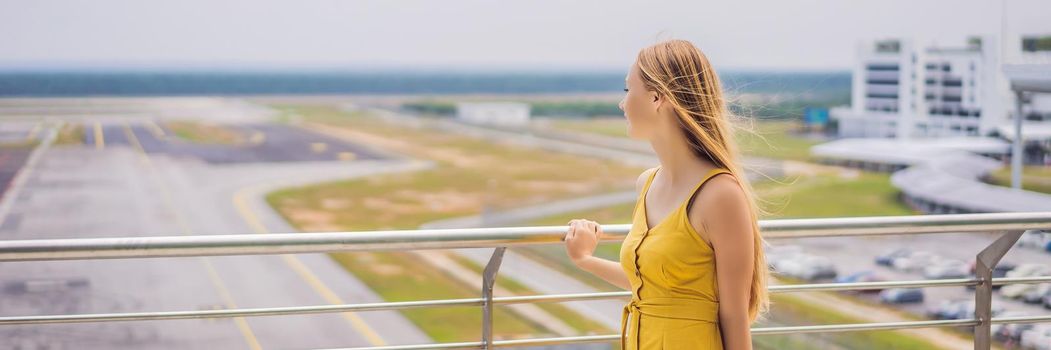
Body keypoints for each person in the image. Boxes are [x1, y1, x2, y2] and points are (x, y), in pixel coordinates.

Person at [562, 39, 769, 350]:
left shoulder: (721, 195)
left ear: (657, 97)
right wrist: (584, 259)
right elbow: (654, 287)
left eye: (627, 90)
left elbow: (734, 316)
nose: (623, 104)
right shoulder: (646, 184)